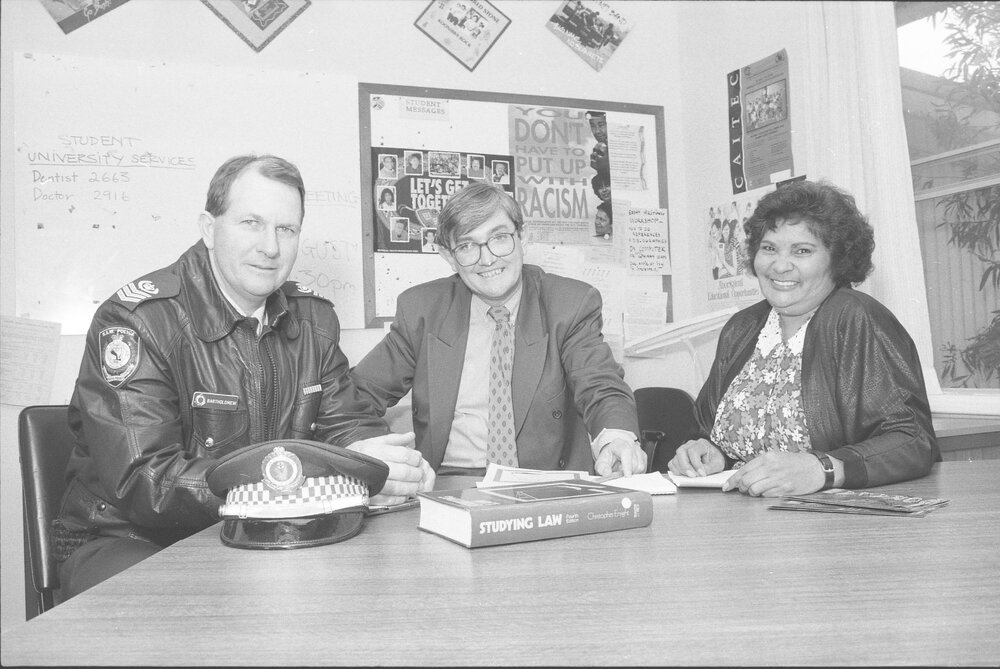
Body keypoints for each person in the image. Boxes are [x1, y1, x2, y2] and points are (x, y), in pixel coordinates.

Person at [54, 154, 434, 600]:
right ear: (209, 229)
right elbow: (146, 482)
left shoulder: (313, 320)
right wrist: (300, 481)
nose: (271, 247)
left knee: (385, 586)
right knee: (190, 617)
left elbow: (347, 427)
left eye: (286, 229)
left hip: (270, 533)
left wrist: (383, 467)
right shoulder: (137, 321)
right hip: (129, 541)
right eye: (251, 223)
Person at [351, 182, 645, 477]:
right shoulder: (422, 310)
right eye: (467, 246)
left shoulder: (570, 304)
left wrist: (616, 439)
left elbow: (601, 386)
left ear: (523, 237)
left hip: (543, 486)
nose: (488, 258)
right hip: (449, 482)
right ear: (448, 256)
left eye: (499, 238)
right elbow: (354, 398)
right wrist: (372, 453)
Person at [668, 180, 939, 496]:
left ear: (837, 259)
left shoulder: (856, 319)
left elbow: (912, 440)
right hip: (744, 520)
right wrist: (708, 451)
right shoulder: (741, 328)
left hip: (834, 527)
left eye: (802, 251)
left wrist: (824, 468)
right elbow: (711, 430)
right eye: (769, 248)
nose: (780, 265)